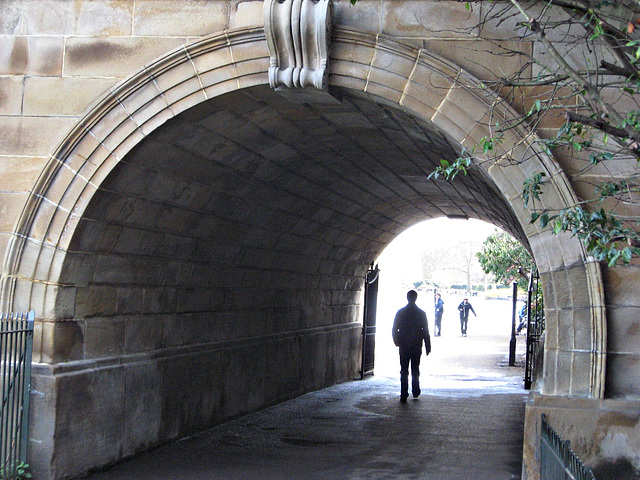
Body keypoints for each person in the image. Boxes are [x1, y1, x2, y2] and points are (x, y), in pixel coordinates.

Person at [392, 290, 431, 402]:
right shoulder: (421, 313)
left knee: (404, 369)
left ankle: (404, 393)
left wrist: (397, 341)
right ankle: (415, 389)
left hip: (404, 345)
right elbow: (425, 330)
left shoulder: (401, 312)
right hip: (416, 344)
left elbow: (395, 328)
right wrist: (427, 346)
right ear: (416, 298)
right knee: (415, 368)